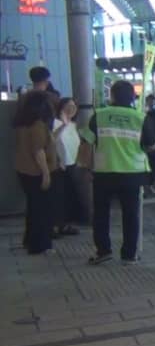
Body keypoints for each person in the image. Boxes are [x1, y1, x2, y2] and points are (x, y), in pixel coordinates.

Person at [87, 80, 155, 265]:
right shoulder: (140, 118)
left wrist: (86, 167)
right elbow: (150, 145)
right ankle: (129, 254)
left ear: (113, 95)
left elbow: (87, 142)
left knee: (101, 214)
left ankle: (103, 251)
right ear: (133, 96)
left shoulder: (99, 115)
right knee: (130, 214)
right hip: (132, 173)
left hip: (104, 171)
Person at [13, 91, 58, 255]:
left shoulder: (21, 124)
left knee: (33, 208)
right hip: (36, 172)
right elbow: (38, 151)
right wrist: (46, 173)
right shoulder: (38, 125)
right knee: (42, 209)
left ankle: (30, 240)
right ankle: (41, 244)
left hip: (23, 170)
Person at [51, 97, 83, 234]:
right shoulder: (55, 122)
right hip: (59, 165)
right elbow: (52, 140)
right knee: (59, 197)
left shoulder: (73, 125)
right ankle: (56, 225)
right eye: (68, 106)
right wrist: (63, 125)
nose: (71, 109)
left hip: (72, 164)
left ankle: (65, 225)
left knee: (69, 196)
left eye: (74, 106)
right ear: (61, 108)